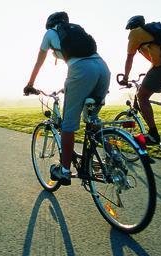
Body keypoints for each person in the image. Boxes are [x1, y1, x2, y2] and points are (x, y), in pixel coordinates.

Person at [24, 11, 110, 186]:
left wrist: (30, 84)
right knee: (92, 119)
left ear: (49, 24)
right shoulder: (76, 32)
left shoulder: (50, 33)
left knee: (68, 125)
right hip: (102, 68)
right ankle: (112, 157)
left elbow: (39, 61)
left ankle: (64, 171)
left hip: (81, 71)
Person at [119, 15, 161, 144]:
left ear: (131, 26)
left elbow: (130, 57)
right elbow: (157, 59)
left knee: (142, 96)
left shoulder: (135, 33)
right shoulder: (155, 34)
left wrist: (126, 77)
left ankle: (153, 134)